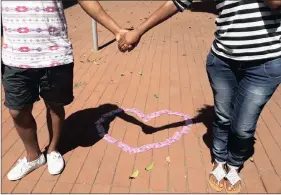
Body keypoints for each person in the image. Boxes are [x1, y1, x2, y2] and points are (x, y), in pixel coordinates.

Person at [119, 0, 281, 193]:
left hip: (264, 65)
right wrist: (139, 31)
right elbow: (176, 2)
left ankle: (235, 163)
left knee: (244, 127)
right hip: (222, 61)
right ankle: (220, 160)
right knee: (222, 117)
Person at [2, 0, 127, 181]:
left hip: (55, 54)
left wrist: (117, 30)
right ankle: (34, 156)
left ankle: (53, 150)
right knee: (17, 110)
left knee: (55, 106)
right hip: (15, 56)